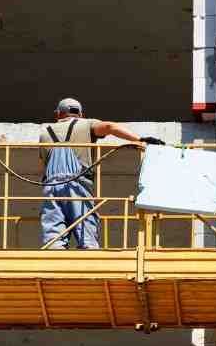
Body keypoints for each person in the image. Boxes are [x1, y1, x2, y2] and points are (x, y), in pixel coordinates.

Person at [39, 97, 161, 249]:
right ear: (81, 114)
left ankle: (54, 264)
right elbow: (109, 126)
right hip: (77, 187)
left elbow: (44, 165)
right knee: (86, 233)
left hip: (51, 188)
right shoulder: (85, 124)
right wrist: (140, 140)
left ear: (57, 114)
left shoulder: (44, 134)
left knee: (53, 237)